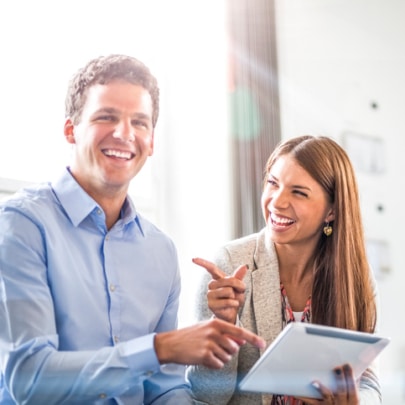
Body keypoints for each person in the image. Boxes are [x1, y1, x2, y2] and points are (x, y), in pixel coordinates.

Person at [0, 54, 266, 404]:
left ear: (152, 141)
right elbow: (30, 381)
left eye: (139, 122)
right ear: (71, 129)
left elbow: (164, 388)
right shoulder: (22, 224)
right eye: (106, 117)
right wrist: (159, 348)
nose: (124, 134)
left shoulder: (160, 250)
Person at [187, 135, 381, 405]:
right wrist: (223, 327)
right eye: (272, 183)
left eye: (298, 192)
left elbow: (365, 376)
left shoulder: (356, 278)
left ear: (331, 212)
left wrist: (357, 402)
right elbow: (207, 397)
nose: (276, 202)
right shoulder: (229, 265)